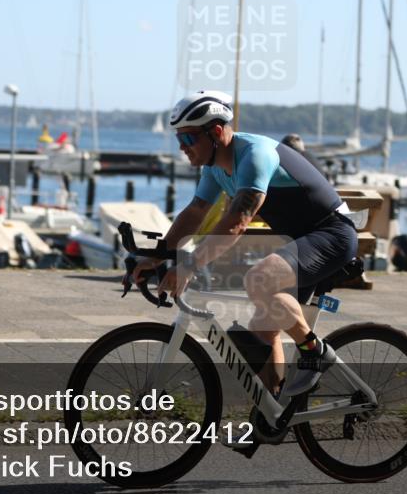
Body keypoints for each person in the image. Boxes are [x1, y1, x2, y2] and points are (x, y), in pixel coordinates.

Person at [131, 90, 358, 401]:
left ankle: (314, 352)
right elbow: (195, 212)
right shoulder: (214, 167)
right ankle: (273, 413)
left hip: (331, 234)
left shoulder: (255, 155)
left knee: (259, 279)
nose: (182, 147)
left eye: (188, 138)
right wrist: (155, 258)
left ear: (216, 132)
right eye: (179, 139)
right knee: (261, 335)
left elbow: (238, 221)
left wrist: (190, 265)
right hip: (298, 242)